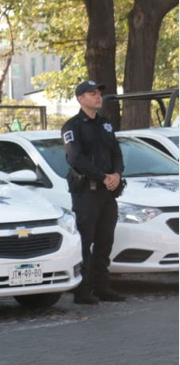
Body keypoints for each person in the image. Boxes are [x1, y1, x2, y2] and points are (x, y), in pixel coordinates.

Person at [62, 80, 126, 304]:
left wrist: (116, 174)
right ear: (81, 99)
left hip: (107, 193)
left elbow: (116, 153)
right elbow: (75, 159)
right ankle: (82, 289)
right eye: (92, 93)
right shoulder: (72, 126)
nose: (98, 96)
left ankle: (102, 286)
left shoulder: (105, 124)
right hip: (87, 193)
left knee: (105, 240)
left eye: (99, 93)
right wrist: (102, 176)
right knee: (85, 240)